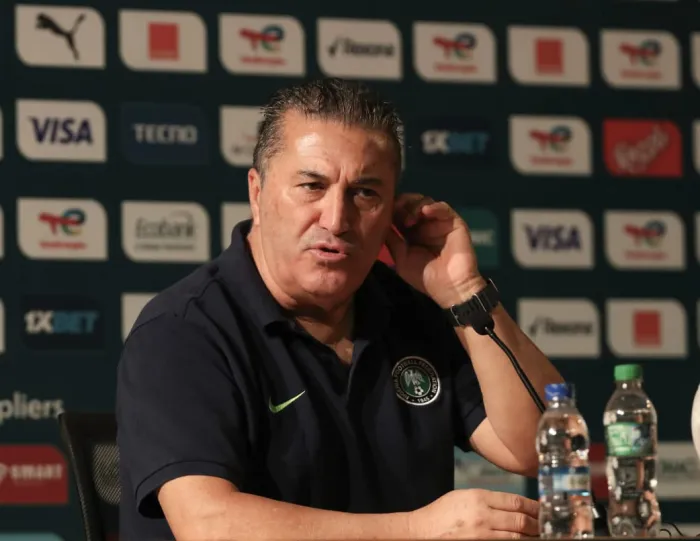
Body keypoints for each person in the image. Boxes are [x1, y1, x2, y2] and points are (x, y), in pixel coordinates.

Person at [116, 77, 565, 540]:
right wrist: (416, 530)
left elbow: (538, 448)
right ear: (257, 193)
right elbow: (209, 525)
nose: (336, 219)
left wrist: (465, 292)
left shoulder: (409, 310)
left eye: (365, 193)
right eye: (312, 186)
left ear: (393, 211)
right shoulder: (182, 331)